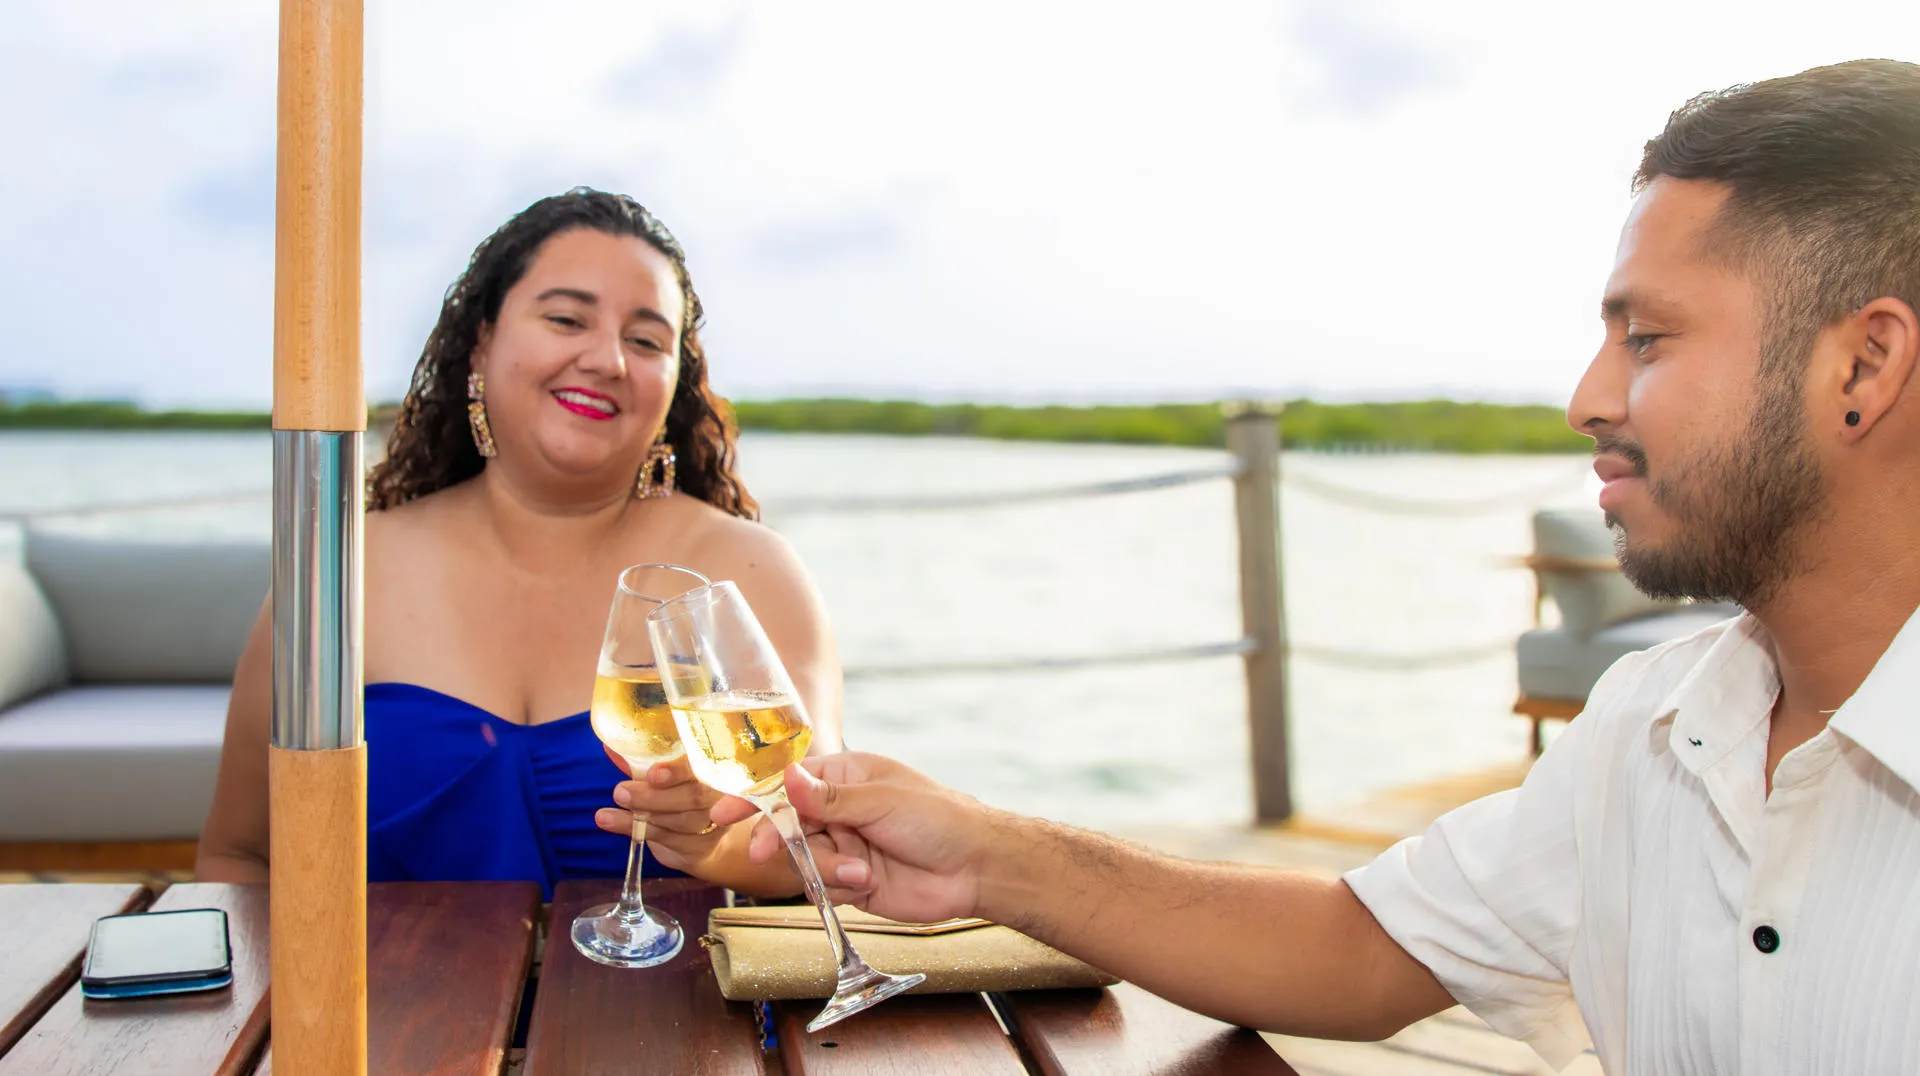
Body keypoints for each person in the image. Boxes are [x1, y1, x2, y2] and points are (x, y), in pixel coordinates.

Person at [702, 60, 1920, 1073]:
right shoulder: (1650, 727)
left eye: (1646, 339)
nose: (1587, 398)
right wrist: (982, 851)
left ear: (1864, 366)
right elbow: (1359, 947)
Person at [197, 188, 838, 899]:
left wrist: (711, 845)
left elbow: (822, 843)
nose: (608, 360)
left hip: (672, 1006)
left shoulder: (746, 569)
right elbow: (241, 858)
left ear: (673, 386)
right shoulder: (344, 571)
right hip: (382, 1008)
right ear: (482, 342)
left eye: (647, 340)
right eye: (567, 319)